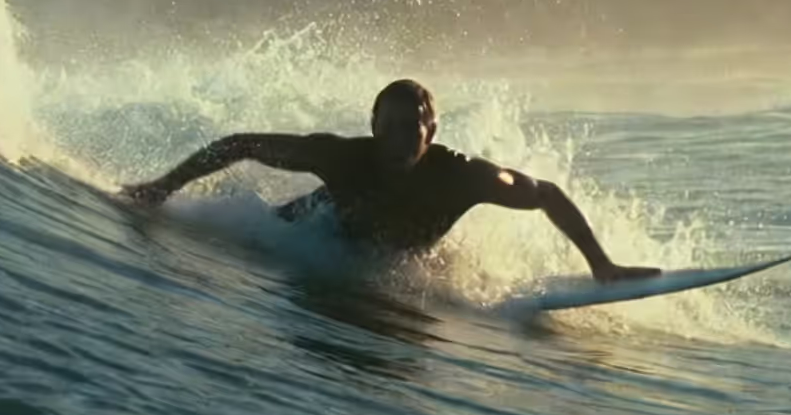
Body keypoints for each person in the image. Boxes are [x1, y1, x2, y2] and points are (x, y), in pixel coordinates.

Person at [119, 79, 661, 282]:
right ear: (373, 127)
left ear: (432, 132)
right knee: (287, 218)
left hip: (397, 245)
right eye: (391, 127)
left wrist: (601, 265)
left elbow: (545, 195)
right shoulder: (340, 157)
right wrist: (164, 186)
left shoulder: (463, 176)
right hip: (318, 225)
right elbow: (240, 144)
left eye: (412, 129)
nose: (401, 139)